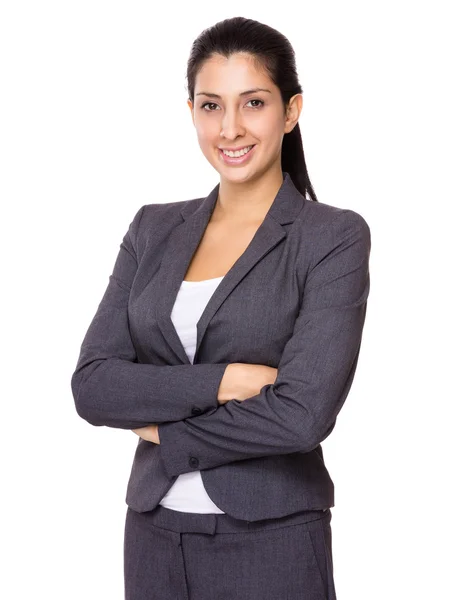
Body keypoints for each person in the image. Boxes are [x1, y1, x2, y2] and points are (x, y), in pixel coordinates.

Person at [71, 15, 371, 600]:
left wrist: (162, 429)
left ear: (290, 111)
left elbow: (302, 414)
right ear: (191, 113)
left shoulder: (331, 236)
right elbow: (93, 385)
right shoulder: (152, 228)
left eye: (252, 102)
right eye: (211, 106)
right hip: (155, 535)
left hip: (272, 539)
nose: (230, 128)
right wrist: (224, 382)